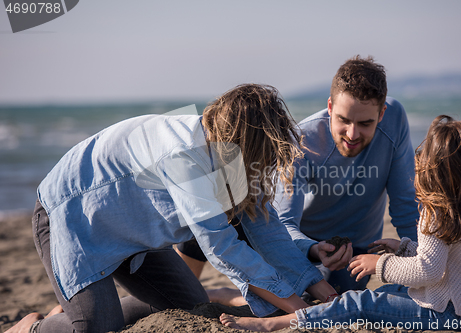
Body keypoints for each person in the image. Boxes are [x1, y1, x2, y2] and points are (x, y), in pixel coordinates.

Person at [7, 84, 337, 333]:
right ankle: (35, 327)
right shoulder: (185, 156)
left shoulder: (230, 151)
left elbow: (265, 225)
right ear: (244, 141)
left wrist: (312, 283)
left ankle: (74, 309)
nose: (263, 165)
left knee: (189, 305)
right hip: (71, 218)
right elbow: (223, 248)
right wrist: (296, 310)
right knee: (96, 328)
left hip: (131, 233)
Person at [219, 115, 461, 331]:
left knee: (358, 301)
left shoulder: (438, 211)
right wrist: (403, 247)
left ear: (436, 172)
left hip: (449, 316)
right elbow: (450, 260)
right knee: (391, 292)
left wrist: (378, 265)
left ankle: (278, 323)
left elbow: (427, 270)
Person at [176, 55, 419, 295]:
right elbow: (284, 224)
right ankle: (193, 291)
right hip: (303, 246)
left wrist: (421, 262)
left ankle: (223, 296)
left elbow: (405, 204)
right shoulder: (302, 144)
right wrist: (313, 248)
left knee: (331, 294)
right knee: (219, 206)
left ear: (382, 114)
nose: (352, 134)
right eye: (343, 120)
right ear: (330, 107)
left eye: (365, 123)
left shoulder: (395, 119)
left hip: (356, 254)